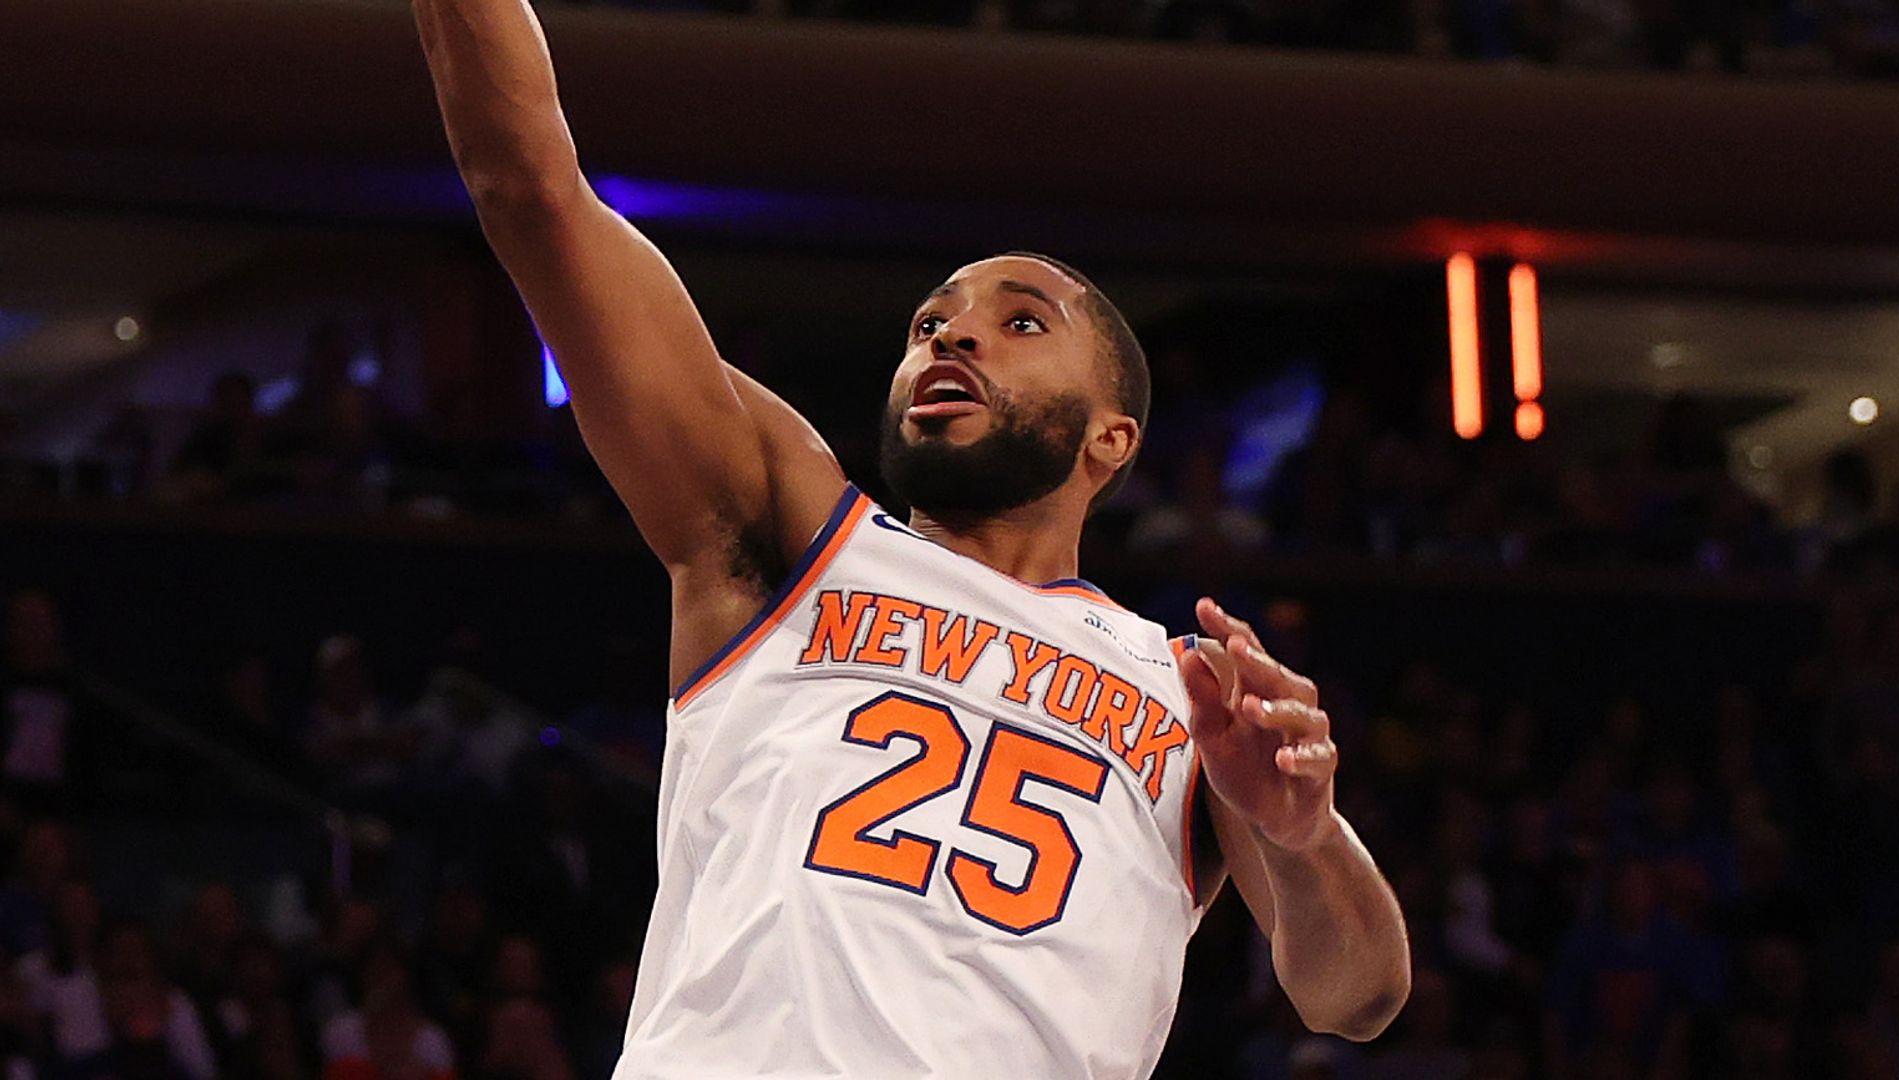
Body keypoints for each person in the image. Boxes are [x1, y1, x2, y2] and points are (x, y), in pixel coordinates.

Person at [412, 2, 1411, 1074]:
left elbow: (1355, 994)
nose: (955, 333)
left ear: (1111, 440)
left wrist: (1303, 837)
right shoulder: (786, 533)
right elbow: (531, 188)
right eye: (929, 324)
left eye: (1021, 321)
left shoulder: (1189, 697)